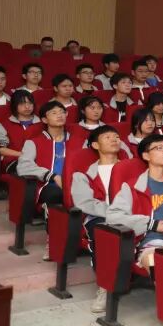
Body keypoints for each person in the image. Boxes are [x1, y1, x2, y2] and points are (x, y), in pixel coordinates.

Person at [108, 134, 163, 272]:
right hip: (153, 243)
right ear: (146, 156)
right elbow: (113, 217)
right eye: (159, 148)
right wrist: (152, 224)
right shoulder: (132, 187)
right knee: (158, 265)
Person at [70, 125, 120, 313]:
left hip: (132, 214)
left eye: (116, 136)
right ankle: (104, 287)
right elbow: (84, 203)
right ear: (95, 145)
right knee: (102, 234)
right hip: (100, 216)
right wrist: (115, 212)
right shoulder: (83, 174)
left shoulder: (133, 169)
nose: (114, 139)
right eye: (108, 137)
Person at [17, 101, 70, 216]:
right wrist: (52, 176)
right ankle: (49, 213)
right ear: (45, 120)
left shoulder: (78, 141)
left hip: (75, 182)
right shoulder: (33, 142)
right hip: (47, 184)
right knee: (57, 194)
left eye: (62, 112)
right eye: (54, 113)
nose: (59, 115)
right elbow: (23, 166)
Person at [0, 90, 38, 173]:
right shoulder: (2, 126)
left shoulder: (43, 123)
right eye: (22, 103)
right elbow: (0, 149)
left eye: (30, 103)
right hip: (14, 161)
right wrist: (23, 155)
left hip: (40, 160)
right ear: (14, 105)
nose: (27, 106)